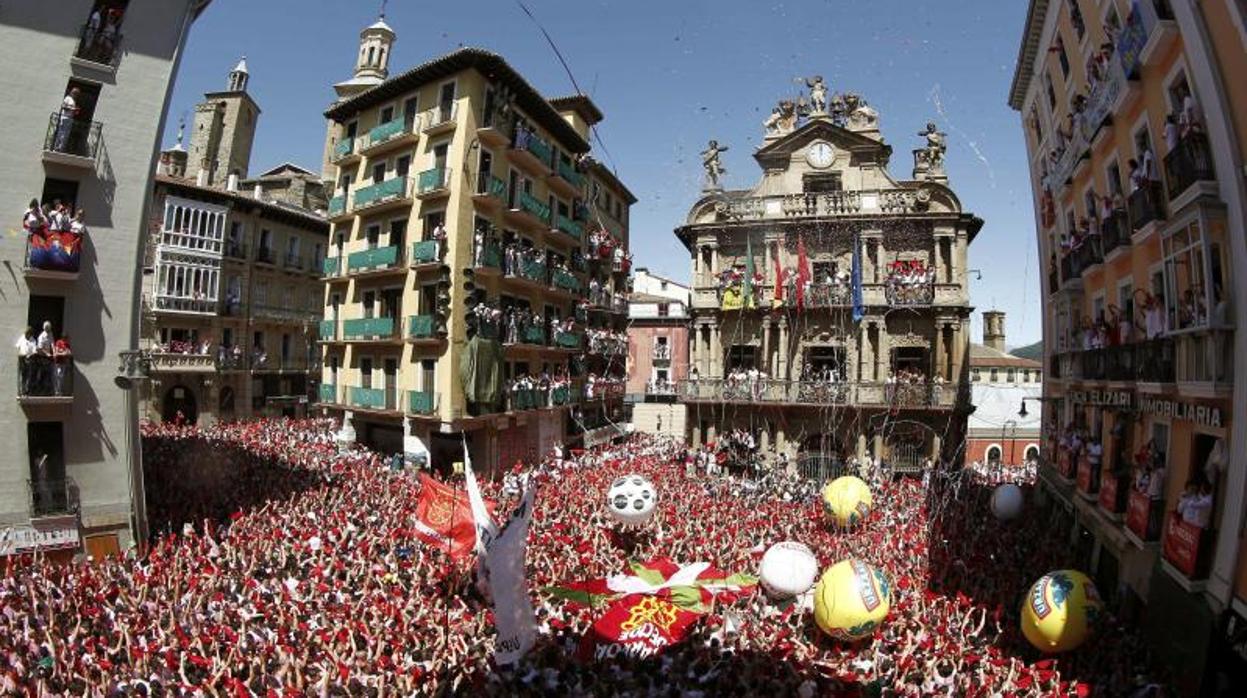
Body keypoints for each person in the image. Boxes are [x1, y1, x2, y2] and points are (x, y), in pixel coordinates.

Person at [53, 88, 82, 153]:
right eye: (76, 94)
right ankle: (57, 148)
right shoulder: (68, 98)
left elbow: (71, 109)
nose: (76, 95)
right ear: (72, 93)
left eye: (77, 94)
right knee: (62, 133)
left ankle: (60, 148)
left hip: (70, 118)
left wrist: (75, 111)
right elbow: (63, 106)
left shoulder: (73, 101)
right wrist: (72, 109)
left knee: (66, 135)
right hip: (65, 118)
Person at [15, 326, 37, 395]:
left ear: (30, 334)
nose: (26, 335)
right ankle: (21, 391)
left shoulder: (33, 340)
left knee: (28, 376)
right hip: (22, 358)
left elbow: (34, 351)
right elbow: (18, 346)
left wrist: (29, 355)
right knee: (22, 375)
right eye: (26, 333)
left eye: (28, 334)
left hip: (29, 359)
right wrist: (19, 354)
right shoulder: (22, 338)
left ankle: (26, 391)